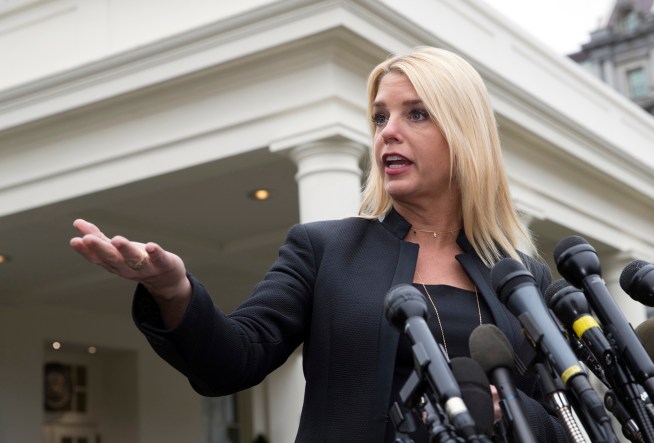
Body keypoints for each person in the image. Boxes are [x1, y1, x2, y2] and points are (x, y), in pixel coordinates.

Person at [70, 46, 567, 442]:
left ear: (465, 134)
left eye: (416, 114)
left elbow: (563, 420)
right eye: (379, 118)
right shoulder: (324, 248)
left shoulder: (521, 277)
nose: (388, 132)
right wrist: (174, 291)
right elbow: (232, 360)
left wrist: (506, 406)